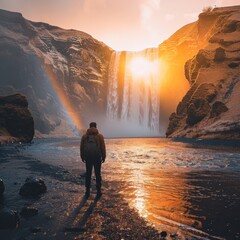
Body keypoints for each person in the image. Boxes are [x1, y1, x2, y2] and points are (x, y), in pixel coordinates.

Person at [80, 122, 106, 198]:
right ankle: (98, 191)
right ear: (96, 127)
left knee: (88, 173)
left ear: (89, 127)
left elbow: (81, 147)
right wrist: (103, 156)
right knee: (98, 174)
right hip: (97, 157)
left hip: (88, 157)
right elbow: (103, 147)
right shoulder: (100, 136)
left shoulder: (85, 136)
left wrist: (82, 156)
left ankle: (87, 191)